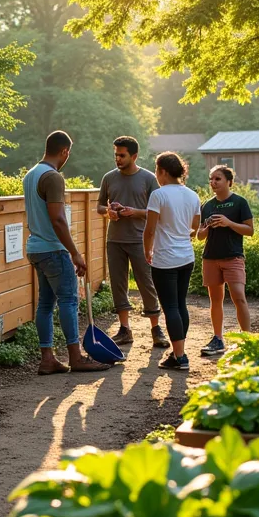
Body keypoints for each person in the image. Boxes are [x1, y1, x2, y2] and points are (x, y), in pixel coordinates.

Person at [24, 131, 111, 375]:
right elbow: (58, 220)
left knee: (45, 304)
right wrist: (75, 253)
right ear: (65, 152)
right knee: (69, 300)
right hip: (53, 249)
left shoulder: (31, 175)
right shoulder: (53, 177)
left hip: (35, 248)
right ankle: (76, 357)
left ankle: (47, 359)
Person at [97, 136, 172, 348]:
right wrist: (109, 212)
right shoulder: (109, 178)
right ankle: (124, 330)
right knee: (118, 285)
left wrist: (135, 212)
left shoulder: (148, 179)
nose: (118, 159)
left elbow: (159, 210)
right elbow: (100, 207)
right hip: (114, 240)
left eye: (122, 155)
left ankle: (156, 329)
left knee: (147, 284)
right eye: (116, 155)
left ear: (134, 156)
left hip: (140, 240)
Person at [143, 152, 201, 370]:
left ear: (163, 171)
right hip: (186, 257)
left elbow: (149, 230)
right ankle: (179, 352)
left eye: (157, 171)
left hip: (165, 258)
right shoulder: (193, 195)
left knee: (170, 307)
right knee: (180, 304)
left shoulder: (159, 195)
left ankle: (180, 357)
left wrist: (147, 251)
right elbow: (194, 228)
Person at [196, 165, 254, 356]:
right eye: (211, 179)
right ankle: (218, 339)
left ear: (229, 181)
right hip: (211, 258)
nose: (213, 182)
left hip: (233, 257)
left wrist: (228, 223)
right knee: (215, 300)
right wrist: (207, 227)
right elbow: (200, 236)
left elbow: (250, 230)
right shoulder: (207, 205)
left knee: (239, 297)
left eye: (217, 179)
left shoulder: (239, 202)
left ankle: (247, 340)